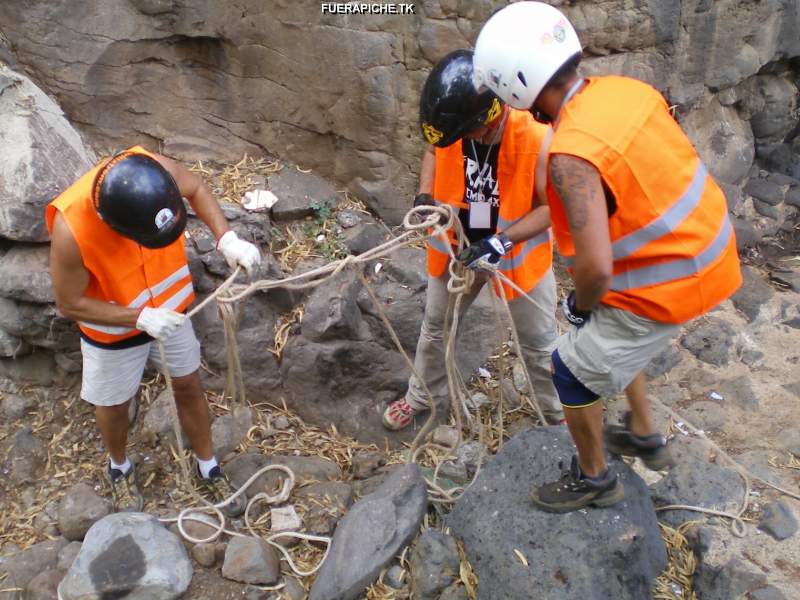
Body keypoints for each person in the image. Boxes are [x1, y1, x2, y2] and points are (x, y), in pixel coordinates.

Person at [472, 1, 742, 512]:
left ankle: (595, 479)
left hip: (668, 282)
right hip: (710, 253)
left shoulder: (569, 153)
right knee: (601, 333)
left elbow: (595, 269)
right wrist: (505, 238)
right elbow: (587, 200)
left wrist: (579, 303)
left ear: (515, 85)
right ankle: (642, 431)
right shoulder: (626, 92)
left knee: (569, 366)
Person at [46, 146, 262, 514]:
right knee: (113, 405)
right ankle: (119, 466)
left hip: (172, 313)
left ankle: (207, 465)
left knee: (189, 385)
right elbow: (69, 302)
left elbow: (195, 188)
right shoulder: (72, 228)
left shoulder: (153, 169)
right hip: (112, 332)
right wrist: (138, 318)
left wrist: (227, 239)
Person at [383, 49, 564, 431]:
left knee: (540, 343)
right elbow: (433, 149)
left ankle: (559, 417)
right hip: (457, 245)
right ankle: (421, 397)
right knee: (436, 327)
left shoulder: (536, 137)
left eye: (465, 133)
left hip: (517, 253)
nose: (457, 141)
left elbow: (554, 209)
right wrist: (425, 194)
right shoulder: (452, 126)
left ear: (488, 119)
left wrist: (502, 242)